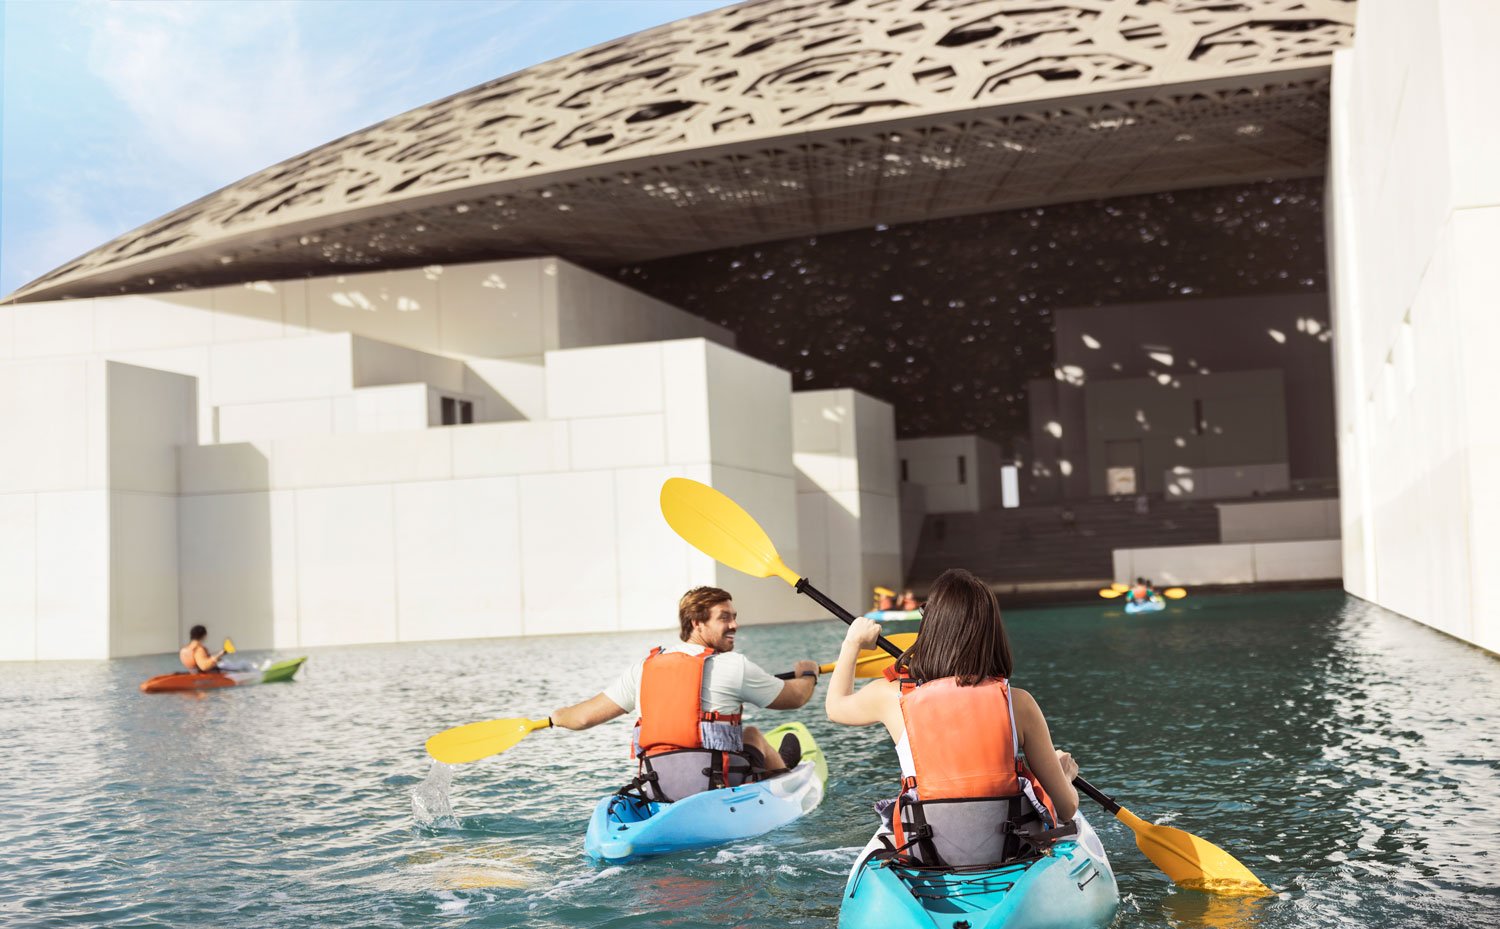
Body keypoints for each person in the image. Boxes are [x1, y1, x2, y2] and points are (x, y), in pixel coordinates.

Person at [825, 568, 1092, 869]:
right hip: (1010, 853)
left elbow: (835, 707)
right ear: (991, 633)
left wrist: (852, 643)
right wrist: (1064, 776)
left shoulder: (892, 697)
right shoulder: (1019, 703)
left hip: (927, 852)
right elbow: (1067, 809)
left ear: (930, 628)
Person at [549, 586, 820, 801]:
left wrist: (556, 717)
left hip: (659, 788)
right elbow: (794, 698)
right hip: (714, 786)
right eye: (724, 618)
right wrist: (808, 675)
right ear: (696, 623)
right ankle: (785, 777)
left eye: (734, 617)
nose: (734, 625)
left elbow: (582, 718)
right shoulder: (733, 665)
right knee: (751, 735)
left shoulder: (642, 669)